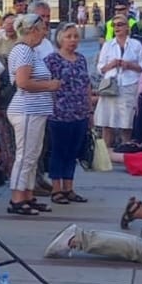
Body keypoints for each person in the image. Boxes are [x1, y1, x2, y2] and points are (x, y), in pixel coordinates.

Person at [5, 14, 60, 216]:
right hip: (26, 109)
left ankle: (28, 195)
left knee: (33, 155)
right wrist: (50, 85)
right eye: (43, 28)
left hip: (36, 110)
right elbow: (22, 82)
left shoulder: (31, 51)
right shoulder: (23, 51)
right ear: (33, 30)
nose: (45, 33)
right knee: (25, 155)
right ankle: (17, 198)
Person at [43, 22, 93, 204]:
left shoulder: (80, 59)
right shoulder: (52, 60)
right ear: (60, 39)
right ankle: (56, 189)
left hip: (79, 112)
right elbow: (45, 85)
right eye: (68, 36)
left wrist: (90, 111)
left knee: (73, 152)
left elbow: (86, 84)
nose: (73, 40)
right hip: (59, 114)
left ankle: (69, 187)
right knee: (59, 151)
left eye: (75, 36)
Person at [94, 15, 142, 148]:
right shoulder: (108, 45)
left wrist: (129, 65)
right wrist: (111, 65)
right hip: (110, 86)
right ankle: (106, 153)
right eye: (114, 25)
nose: (117, 27)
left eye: (120, 24)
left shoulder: (136, 45)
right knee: (107, 121)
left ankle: (126, 150)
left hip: (129, 85)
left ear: (127, 27)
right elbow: (100, 68)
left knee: (126, 122)